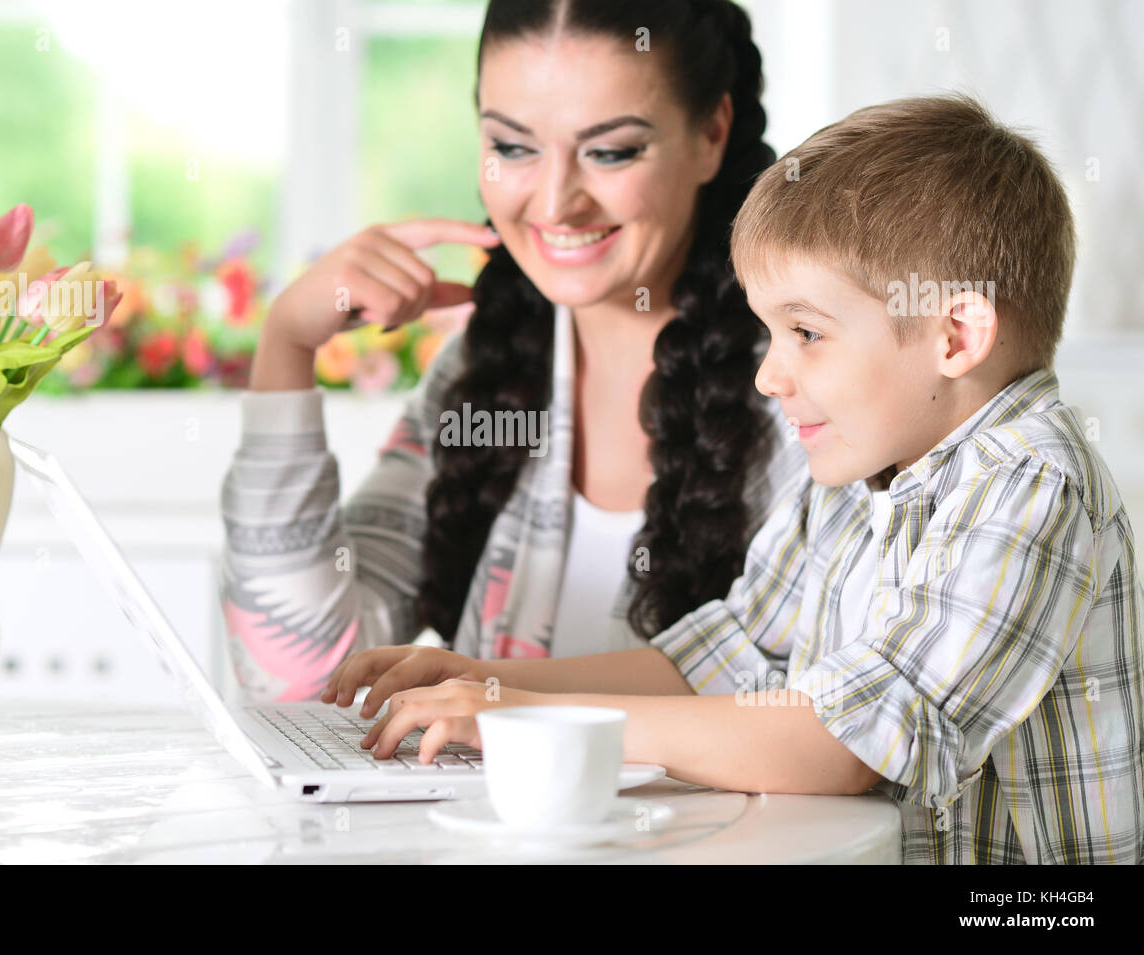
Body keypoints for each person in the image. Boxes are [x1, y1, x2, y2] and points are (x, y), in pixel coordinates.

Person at [326, 94, 1144, 865]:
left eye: (806, 333)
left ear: (957, 334)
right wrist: (482, 679)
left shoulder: (1032, 483)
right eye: (769, 333)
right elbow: (723, 656)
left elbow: (843, 743)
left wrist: (522, 717)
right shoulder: (857, 475)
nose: (768, 377)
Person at [220, 0, 807, 702]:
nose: (556, 203)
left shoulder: (811, 383)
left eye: (612, 151)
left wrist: (499, 689)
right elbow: (297, 675)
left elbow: (827, 720)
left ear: (713, 133)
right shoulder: (485, 368)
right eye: (512, 147)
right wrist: (287, 344)